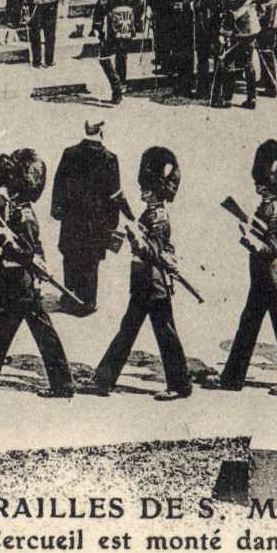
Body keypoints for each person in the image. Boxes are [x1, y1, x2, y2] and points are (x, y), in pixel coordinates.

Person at [0, 149, 74, 402]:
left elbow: (27, 248)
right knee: (40, 331)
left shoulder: (22, 212)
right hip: (14, 279)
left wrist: (10, 245)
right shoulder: (13, 207)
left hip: (17, 282)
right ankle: (63, 384)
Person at [93, 146, 192, 401]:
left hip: (153, 284)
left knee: (163, 335)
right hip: (143, 283)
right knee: (129, 331)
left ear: (156, 190)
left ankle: (180, 385)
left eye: (147, 189)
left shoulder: (159, 219)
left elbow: (153, 253)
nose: (142, 192)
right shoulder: (150, 214)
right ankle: (103, 380)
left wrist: (135, 237)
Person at [218, 140, 277, 395]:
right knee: (247, 326)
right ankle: (232, 378)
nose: (258, 187)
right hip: (261, 279)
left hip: (273, 280)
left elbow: (270, 250)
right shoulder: (266, 206)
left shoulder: (276, 211)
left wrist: (248, 239)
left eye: (263, 184)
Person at [50, 119, 122, 314]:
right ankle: (88, 301)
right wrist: (112, 223)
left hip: (72, 218)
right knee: (91, 261)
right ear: (101, 132)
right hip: (96, 221)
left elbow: (58, 184)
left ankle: (69, 296)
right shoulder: (110, 158)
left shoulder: (70, 153)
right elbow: (114, 194)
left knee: (70, 255)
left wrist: (56, 210)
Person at [92, 0, 145, 104]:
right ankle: (119, 92)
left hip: (113, 20)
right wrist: (135, 21)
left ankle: (117, 86)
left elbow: (102, 5)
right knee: (122, 56)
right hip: (129, 20)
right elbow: (140, 5)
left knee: (104, 56)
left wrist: (97, 24)